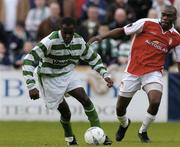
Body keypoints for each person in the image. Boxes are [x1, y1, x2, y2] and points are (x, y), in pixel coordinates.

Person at [88, 5, 180, 143]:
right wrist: (101, 37)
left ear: (175, 18)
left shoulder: (177, 38)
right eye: (164, 14)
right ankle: (124, 124)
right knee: (120, 108)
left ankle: (142, 131)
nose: (165, 17)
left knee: (155, 101)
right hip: (133, 71)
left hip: (153, 72)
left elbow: (179, 61)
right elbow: (122, 31)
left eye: (169, 15)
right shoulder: (146, 23)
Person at [22, 17, 113, 146]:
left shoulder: (79, 41)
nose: (67, 36)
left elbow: (93, 58)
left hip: (67, 73)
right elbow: (28, 60)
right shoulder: (50, 41)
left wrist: (105, 74)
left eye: (70, 33)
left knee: (85, 100)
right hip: (49, 77)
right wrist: (31, 86)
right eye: (65, 32)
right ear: (60, 29)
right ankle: (70, 138)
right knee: (66, 112)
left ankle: (100, 134)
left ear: (74, 30)